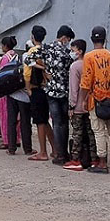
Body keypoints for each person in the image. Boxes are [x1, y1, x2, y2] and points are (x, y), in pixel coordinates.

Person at [82, 26, 110, 174]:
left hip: (96, 99)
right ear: (105, 39)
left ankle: (102, 162)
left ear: (92, 39)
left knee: (99, 131)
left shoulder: (89, 57)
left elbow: (86, 82)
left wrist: (83, 100)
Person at [41, 25, 76, 165]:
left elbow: (30, 60)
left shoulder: (46, 48)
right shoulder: (67, 53)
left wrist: (45, 72)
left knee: (56, 123)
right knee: (64, 123)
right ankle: (64, 153)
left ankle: (59, 154)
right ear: (64, 38)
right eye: (68, 39)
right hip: (64, 91)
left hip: (51, 91)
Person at [64, 39, 98, 171]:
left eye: (73, 50)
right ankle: (94, 159)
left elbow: (74, 89)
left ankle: (75, 159)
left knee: (77, 133)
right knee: (91, 133)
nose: (71, 52)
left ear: (80, 51)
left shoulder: (75, 66)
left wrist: (71, 105)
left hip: (78, 105)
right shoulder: (90, 63)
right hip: (90, 104)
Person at [23, 25, 55, 161]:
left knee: (40, 121)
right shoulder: (47, 51)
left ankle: (43, 152)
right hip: (46, 88)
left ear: (32, 36)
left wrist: (28, 88)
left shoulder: (32, 52)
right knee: (45, 120)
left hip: (36, 88)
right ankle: (55, 149)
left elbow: (27, 73)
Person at [1, 36, 28, 154]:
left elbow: (2, 75)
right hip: (24, 94)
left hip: (11, 93)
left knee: (11, 121)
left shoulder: (5, 58)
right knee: (25, 121)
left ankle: (11, 147)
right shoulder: (20, 56)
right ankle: (27, 148)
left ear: (5, 46)